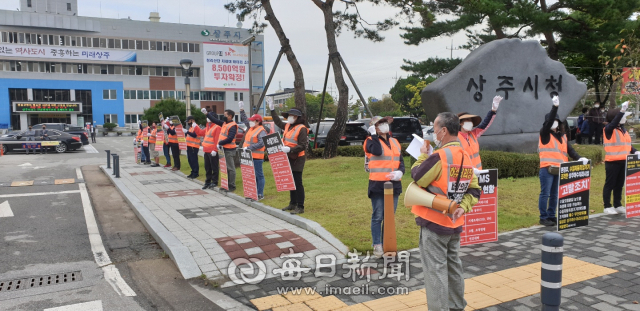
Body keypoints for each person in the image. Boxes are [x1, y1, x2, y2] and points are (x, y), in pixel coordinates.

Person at [410, 112, 482, 311]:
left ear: (443, 131)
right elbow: (475, 190)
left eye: (434, 129)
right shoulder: (465, 155)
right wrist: (463, 208)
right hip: (454, 224)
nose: (433, 134)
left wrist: (423, 155)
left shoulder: (439, 156)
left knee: (436, 270)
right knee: (453, 267)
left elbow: (418, 176)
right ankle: (457, 306)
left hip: (434, 223)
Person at [538, 96, 589, 226]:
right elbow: (548, 122)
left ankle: (551, 215)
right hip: (547, 168)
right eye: (552, 120)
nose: (554, 122)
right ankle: (543, 217)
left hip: (559, 168)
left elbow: (570, 150)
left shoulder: (562, 136)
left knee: (554, 194)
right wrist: (554, 108)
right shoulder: (544, 134)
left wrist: (579, 158)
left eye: (556, 120)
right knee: (545, 194)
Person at [364, 116, 405, 257]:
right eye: (379, 124)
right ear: (374, 128)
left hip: (394, 184)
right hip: (377, 184)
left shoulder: (395, 141)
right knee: (378, 216)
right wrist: (374, 136)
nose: (384, 126)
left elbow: (400, 161)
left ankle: (387, 242)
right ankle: (377, 245)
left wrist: (400, 172)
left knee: (389, 217)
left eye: (384, 123)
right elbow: (377, 151)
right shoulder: (369, 141)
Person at [268, 98, 308, 214]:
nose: (290, 117)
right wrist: (272, 110)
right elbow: (277, 121)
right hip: (288, 156)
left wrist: (290, 149)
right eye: (289, 115)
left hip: (298, 158)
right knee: (291, 180)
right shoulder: (287, 126)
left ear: (297, 118)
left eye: (292, 116)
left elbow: (302, 145)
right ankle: (292, 203)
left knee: (297, 181)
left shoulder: (302, 129)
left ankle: (300, 206)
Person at [603, 102, 639, 215]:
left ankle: (617, 204)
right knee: (610, 184)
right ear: (616, 118)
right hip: (612, 161)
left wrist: (635, 151)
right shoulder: (608, 129)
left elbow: (627, 144)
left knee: (619, 184)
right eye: (622, 116)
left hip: (624, 161)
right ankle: (607, 206)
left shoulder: (623, 130)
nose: (624, 119)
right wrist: (621, 111)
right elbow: (613, 123)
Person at [457, 95, 503, 170]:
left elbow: (485, 124)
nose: (470, 123)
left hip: (478, 173)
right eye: (467, 120)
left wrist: (493, 110)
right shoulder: (454, 137)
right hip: (464, 174)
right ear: (460, 123)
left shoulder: (473, 134)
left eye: (471, 121)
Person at [239, 101, 267, 200]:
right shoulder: (251, 128)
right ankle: (253, 193)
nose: (250, 122)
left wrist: (249, 148)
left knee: (259, 175)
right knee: (251, 176)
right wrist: (242, 110)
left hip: (256, 157)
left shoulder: (261, 130)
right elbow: (245, 120)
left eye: (252, 120)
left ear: (258, 121)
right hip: (248, 156)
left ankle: (260, 194)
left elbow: (261, 143)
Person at [209, 109, 238, 191]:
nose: (223, 116)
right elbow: (215, 120)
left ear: (230, 116)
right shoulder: (224, 123)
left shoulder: (232, 125)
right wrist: (207, 114)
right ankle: (226, 185)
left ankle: (232, 186)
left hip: (229, 149)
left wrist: (220, 143)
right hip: (223, 149)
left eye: (225, 115)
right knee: (224, 168)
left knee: (230, 168)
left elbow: (230, 138)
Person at [200, 109, 221, 190]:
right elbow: (201, 133)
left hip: (212, 151)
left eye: (209, 117)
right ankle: (208, 181)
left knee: (214, 167)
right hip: (206, 150)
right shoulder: (208, 126)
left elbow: (217, 140)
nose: (207, 118)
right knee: (207, 167)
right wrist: (194, 126)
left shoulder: (217, 127)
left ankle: (214, 181)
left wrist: (215, 150)